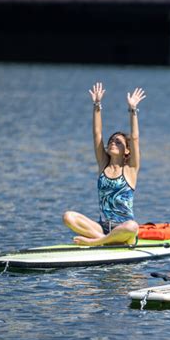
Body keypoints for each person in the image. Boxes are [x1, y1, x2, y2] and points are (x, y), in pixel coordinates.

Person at [62, 82, 146, 246]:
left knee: (132, 226)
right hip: (101, 228)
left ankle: (96, 242)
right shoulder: (103, 165)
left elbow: (135, 138)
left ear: (127, 151)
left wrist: (133, 109)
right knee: (68, 216)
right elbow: (97, 134)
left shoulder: (130, 170)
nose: (113, 143)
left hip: (124, 229)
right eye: (111, 141)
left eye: (118, 142)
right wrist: (97, 104)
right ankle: (103, 240)